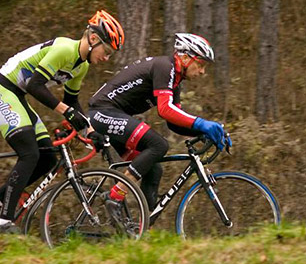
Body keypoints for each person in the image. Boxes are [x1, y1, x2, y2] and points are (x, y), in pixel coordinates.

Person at [0, 10, 125, 233]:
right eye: (106, 51)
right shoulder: (64, 50)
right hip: (1, 89)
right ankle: (3, 222)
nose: (106, 58)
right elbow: (35, 86)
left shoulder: (81, 65)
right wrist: (66, 111)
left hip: (17, 95)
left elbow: (71, 102)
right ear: (94, 39)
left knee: (48, 157)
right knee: (29, 152)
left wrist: (90, 131)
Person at [86, 33, 231, 217]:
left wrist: (202, 132)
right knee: (159, 145)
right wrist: (202, 124)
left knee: (153, 169)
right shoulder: (165, 67)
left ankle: (144, 226)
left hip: (112, 115)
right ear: (185, 57)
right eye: (200, 64)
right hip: (102, 113)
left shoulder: (175, 80)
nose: (202, 71)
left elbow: (173, 123)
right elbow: (165, 110)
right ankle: (115, 197)